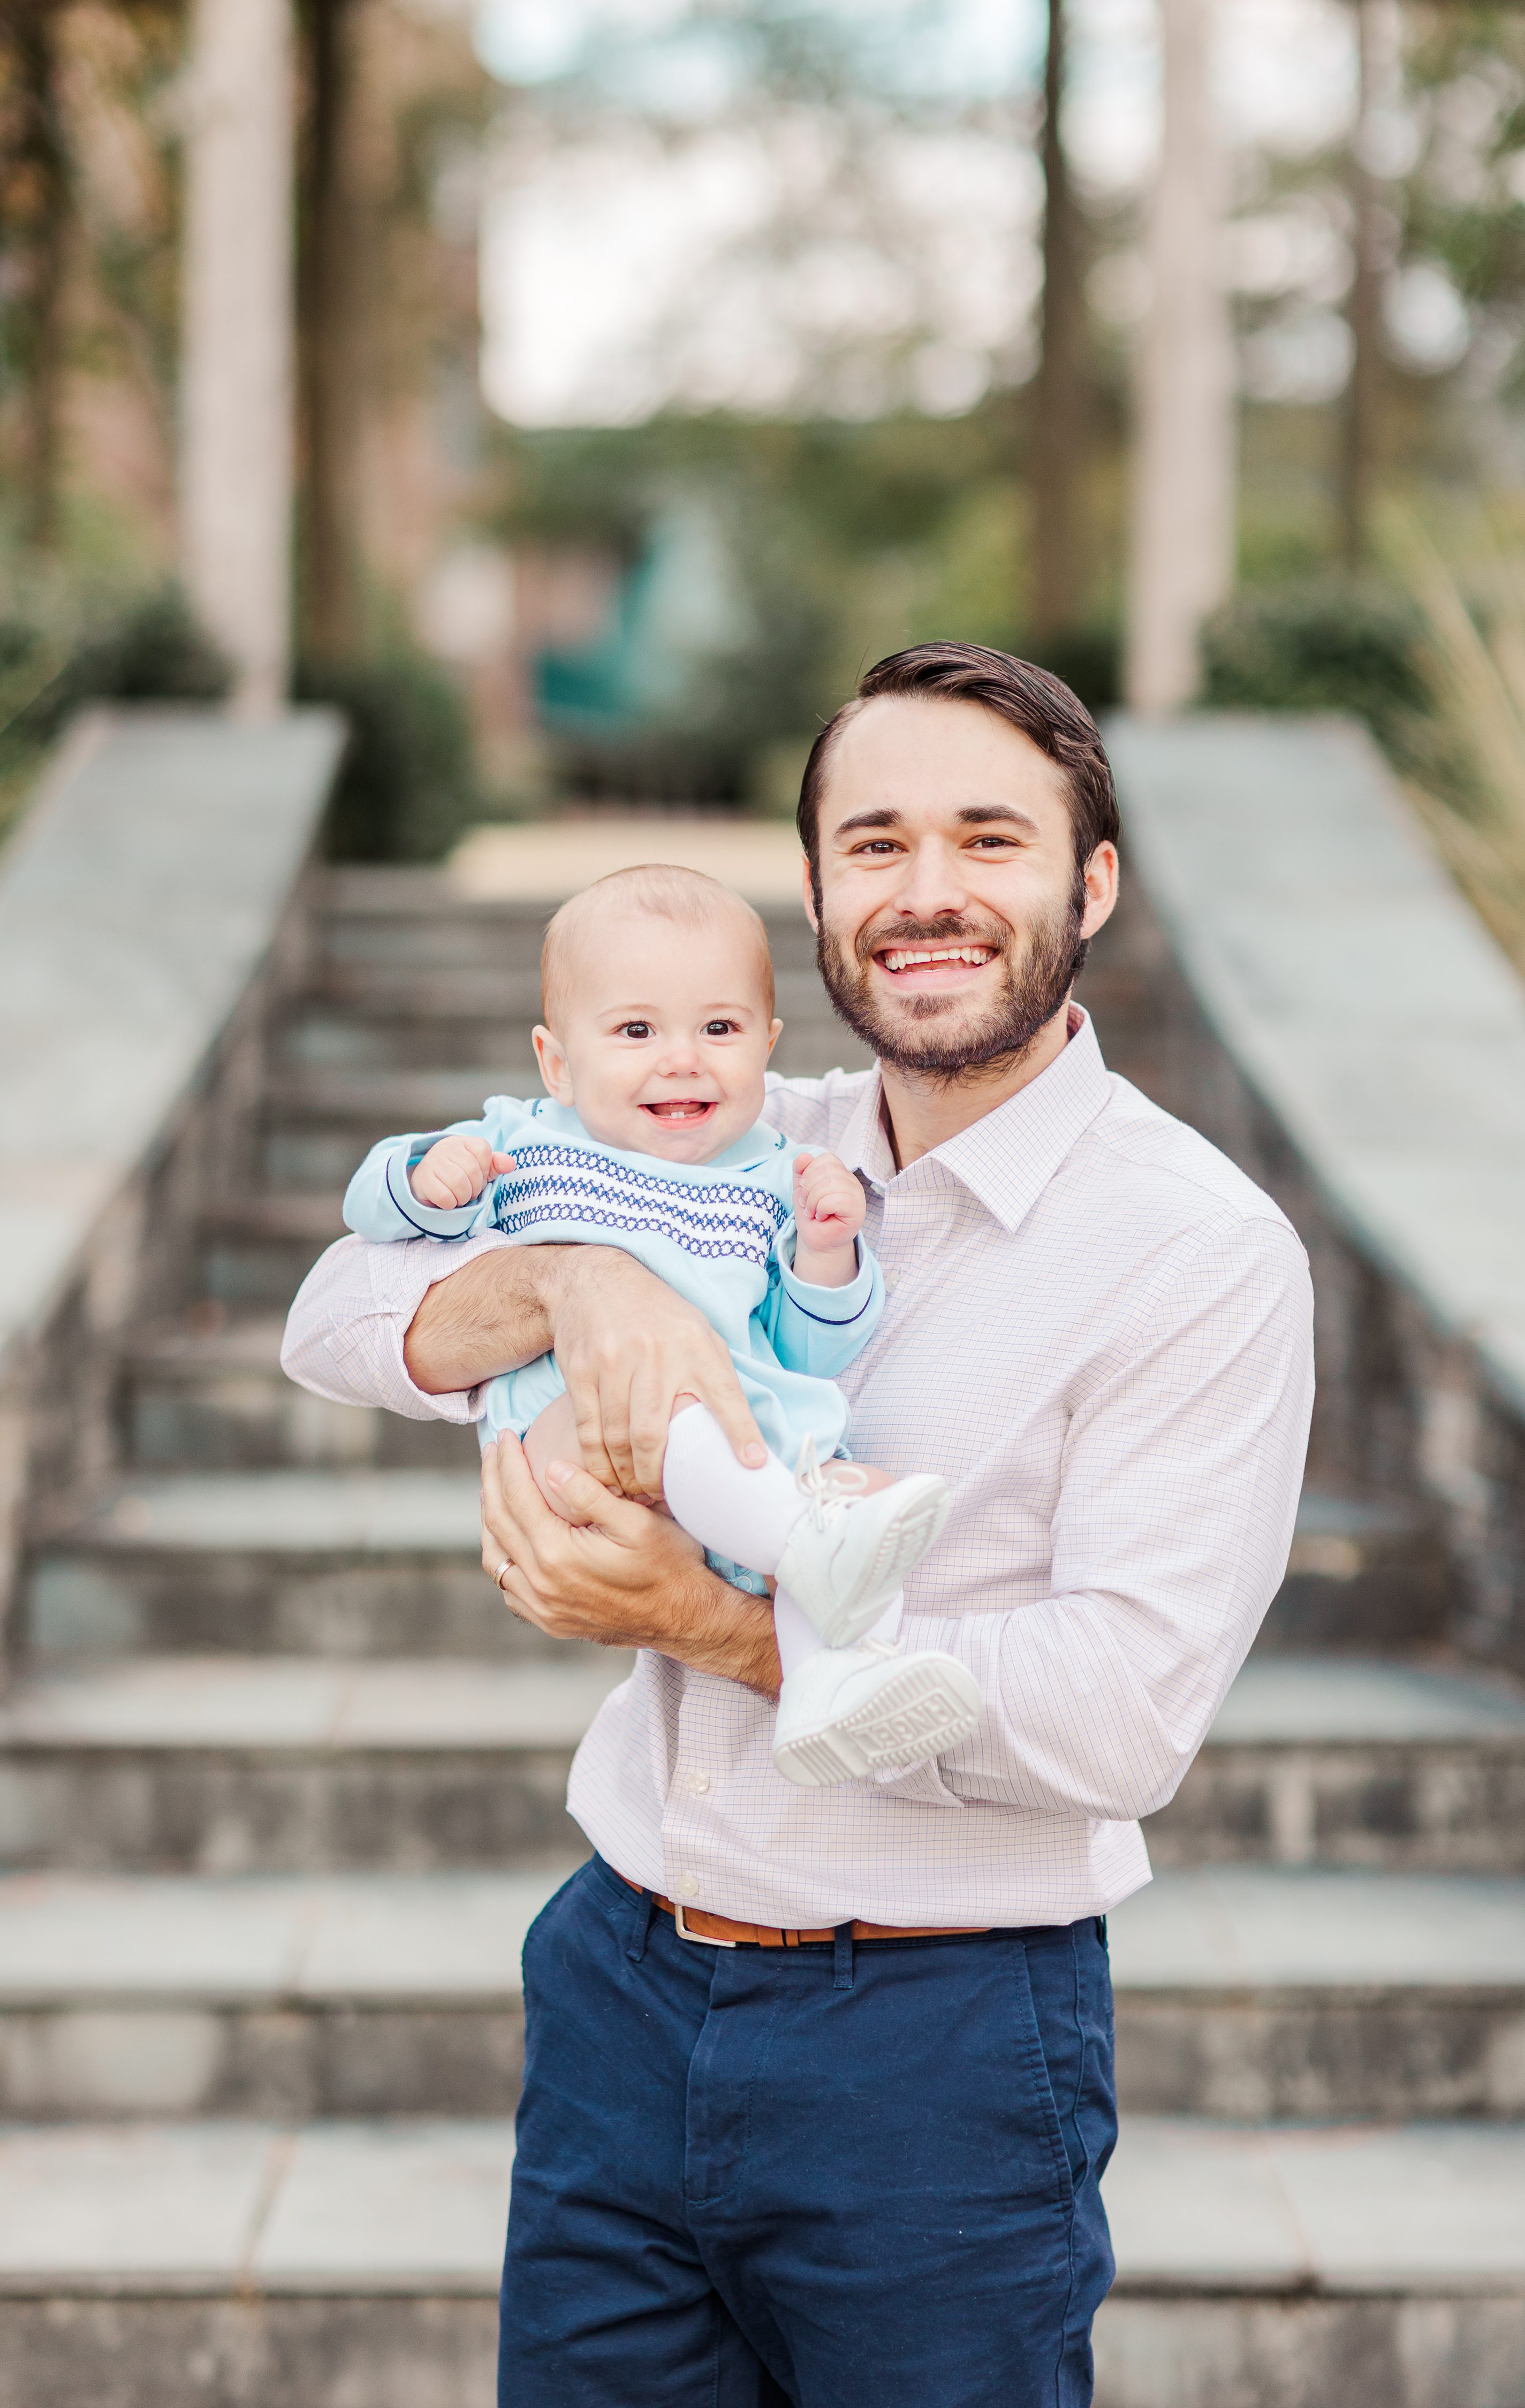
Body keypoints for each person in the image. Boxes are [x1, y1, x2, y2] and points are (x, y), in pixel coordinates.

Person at [282, 641, 1315, 2408]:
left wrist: (711, 1622)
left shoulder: (1196, 1251)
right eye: (874, 843)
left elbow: (1118, 1717)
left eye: (989, 840)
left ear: (1093, 881)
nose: (926, 894)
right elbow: (332, 1321)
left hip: (940, 2050)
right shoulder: (735, 1129)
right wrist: (574, 1278)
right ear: (819, 891)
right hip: (622, 1982)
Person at [336, 862, 975, 1786]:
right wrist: (427, 1178)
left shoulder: (773, 1175)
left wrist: (825, 1254)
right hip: (578, 1443)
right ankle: (804, 1548)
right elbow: (364, 1218)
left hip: (735, 1468)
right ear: (558, 1061)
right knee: (680, 1407)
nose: (683, 1058)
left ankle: (828, 1682)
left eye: (719, 1028)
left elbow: (810, 1354)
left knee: (865, 1489)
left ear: (767, 1046)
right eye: (636, 1030)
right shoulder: (529, 1140)